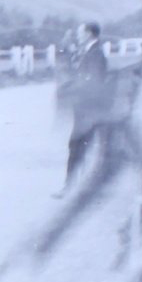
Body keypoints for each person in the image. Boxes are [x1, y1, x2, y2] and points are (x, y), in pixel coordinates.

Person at [53, 21, 109, 198]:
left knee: (77, 146)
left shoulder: (96, 54)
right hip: (85, 110)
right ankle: (75, 187)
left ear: (89, 34)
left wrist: (73, 89)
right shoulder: (89, 52)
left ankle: (71, 188)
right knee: (80, 147)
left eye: (80, 32)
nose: (78, 35)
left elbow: (93, 82)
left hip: (89, 111)